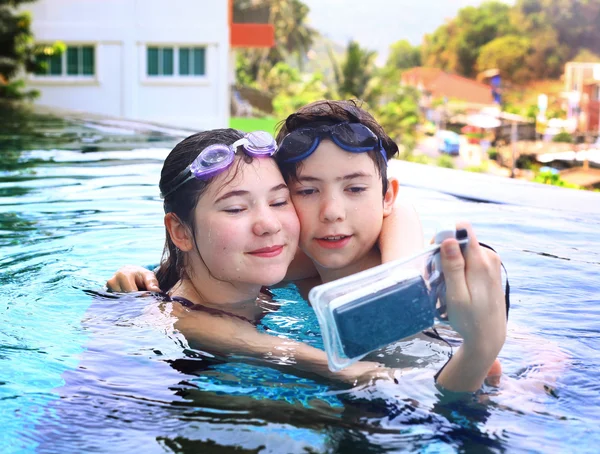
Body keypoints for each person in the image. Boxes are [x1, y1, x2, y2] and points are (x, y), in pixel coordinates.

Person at [108, 101, 507, 392]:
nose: (332, 212)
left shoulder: (287, 262)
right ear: (180, 231)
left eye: (279, 201)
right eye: (306, 192)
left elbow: (396, 208)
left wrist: (400, 278)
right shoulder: (200, 306)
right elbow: (360, 376)